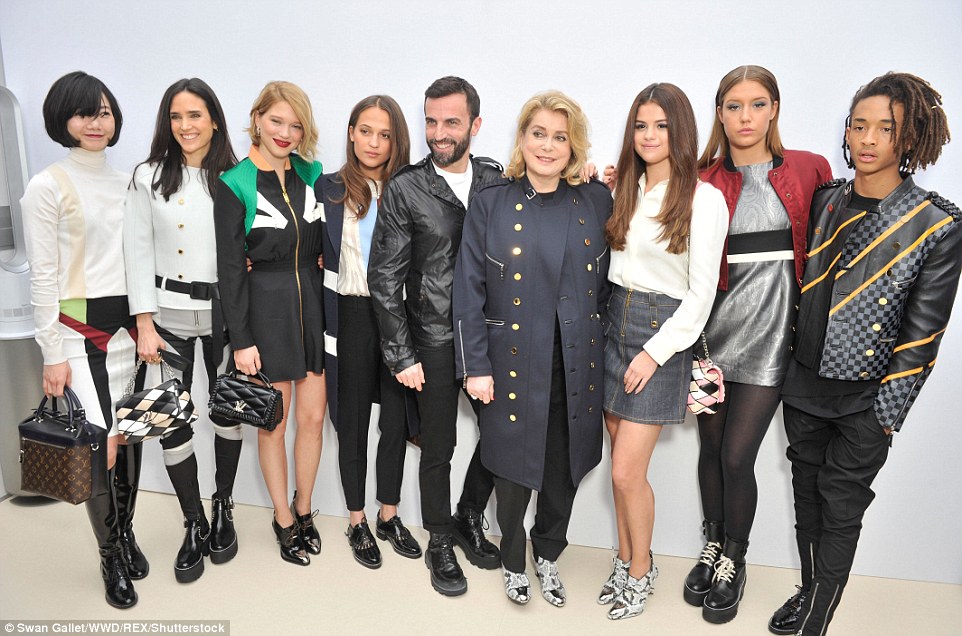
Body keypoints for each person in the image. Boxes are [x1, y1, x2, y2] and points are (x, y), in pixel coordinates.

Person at [770, 72, 959, 636]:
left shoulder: (936, 224)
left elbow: (924, 334)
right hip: (804, 382)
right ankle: (809, 594)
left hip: (867, 398)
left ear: (911, 140)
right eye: (859, 125)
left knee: (841, 502)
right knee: (807, 493)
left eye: (886, 128)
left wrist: (885, 416)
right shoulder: (828, 199)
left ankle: (817, 620)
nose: (868, 139)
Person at [681, 66, 832, 624]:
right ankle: (713, 545)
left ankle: (735, 560)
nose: (745, 117)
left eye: (756, 104)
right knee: (711, 452)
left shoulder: (810, 169)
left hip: (773, 340)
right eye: (733, 106)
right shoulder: (698, 178)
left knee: (738, 456)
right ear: (719, 113)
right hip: (710, 339)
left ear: (774, 109)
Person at [453, 90, 612, 607]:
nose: (547, 146)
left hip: (576, 359)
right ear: (522, 138)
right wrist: (474, 365)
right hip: (511, 359)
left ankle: (548, 551)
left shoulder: (595, 200)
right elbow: (467, 290)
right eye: (538, 133)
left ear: (574, 147)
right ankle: (513, 558)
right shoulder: (491, 203)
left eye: (560, 137)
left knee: (564, 465)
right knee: (512, 465)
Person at [599, 83, 728, 620]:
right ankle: (627, 556)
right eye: (641, 126)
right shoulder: (623, 188)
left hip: (661, 332)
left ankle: (640, 568)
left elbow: (701, 295)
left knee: (628, 471)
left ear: (681, 131)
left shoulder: (704, 198)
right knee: (615, 468)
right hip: (612, 320)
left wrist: (653, 353)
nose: (650, 136)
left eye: (661, 126)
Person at [369, 76, 502, 596]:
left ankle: (469, 515)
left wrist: (588, 176)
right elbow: (385, 277)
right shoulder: (406, 187)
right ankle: (440, 540)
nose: (438, 133)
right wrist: (401, 353)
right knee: (438, 447)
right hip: (432, 338)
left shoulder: (497, 179)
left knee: (501, 435)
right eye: (430, 121)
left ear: (475, 124)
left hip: (490, 337)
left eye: (450, 121)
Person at [21, 71, 142, 608]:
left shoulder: (128, 182)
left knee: (130, 441)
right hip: (76, 334)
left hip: (129, 332)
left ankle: (126, 531)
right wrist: (51, 353)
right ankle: (110, 554)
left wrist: (146, 324)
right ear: (62, 121)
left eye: (105, 112)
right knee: (100, 449)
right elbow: (42, 275)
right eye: (84, 113)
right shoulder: (46, 186)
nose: (96, 123)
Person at [124, 78, 242, 583]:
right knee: (169, 419)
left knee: (227, 411)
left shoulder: (239, 176)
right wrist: (144, 324)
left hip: (224, 315)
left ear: (214, 119)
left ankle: (223, 508)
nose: (186, 126)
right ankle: (193, 521)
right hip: (166, 317)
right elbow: (135, 251)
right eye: (176, 116)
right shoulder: (148, 175)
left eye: (196, 115)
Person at [214, 81, 326, 567]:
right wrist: (242, 340)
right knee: (273, 423)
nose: (285, 132)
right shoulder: (234, 182)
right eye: (277, 121)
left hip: (314, 310)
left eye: (295, 124)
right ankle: (282, 518)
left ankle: (304, 508)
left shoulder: (314, 173)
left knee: (313, 419)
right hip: (265, 312)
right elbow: (230, 270)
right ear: (257, 118)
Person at [318, 95, 422, 569]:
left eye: (384, 133)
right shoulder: (328, 187)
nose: (374, 142)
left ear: (397, 138)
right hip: (352, 315)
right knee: (354, 421)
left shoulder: (415, 188)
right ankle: (357, 520)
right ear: (352, 133)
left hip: (399, 319)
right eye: (365, 130)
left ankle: (388, 513)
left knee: (396, 422)